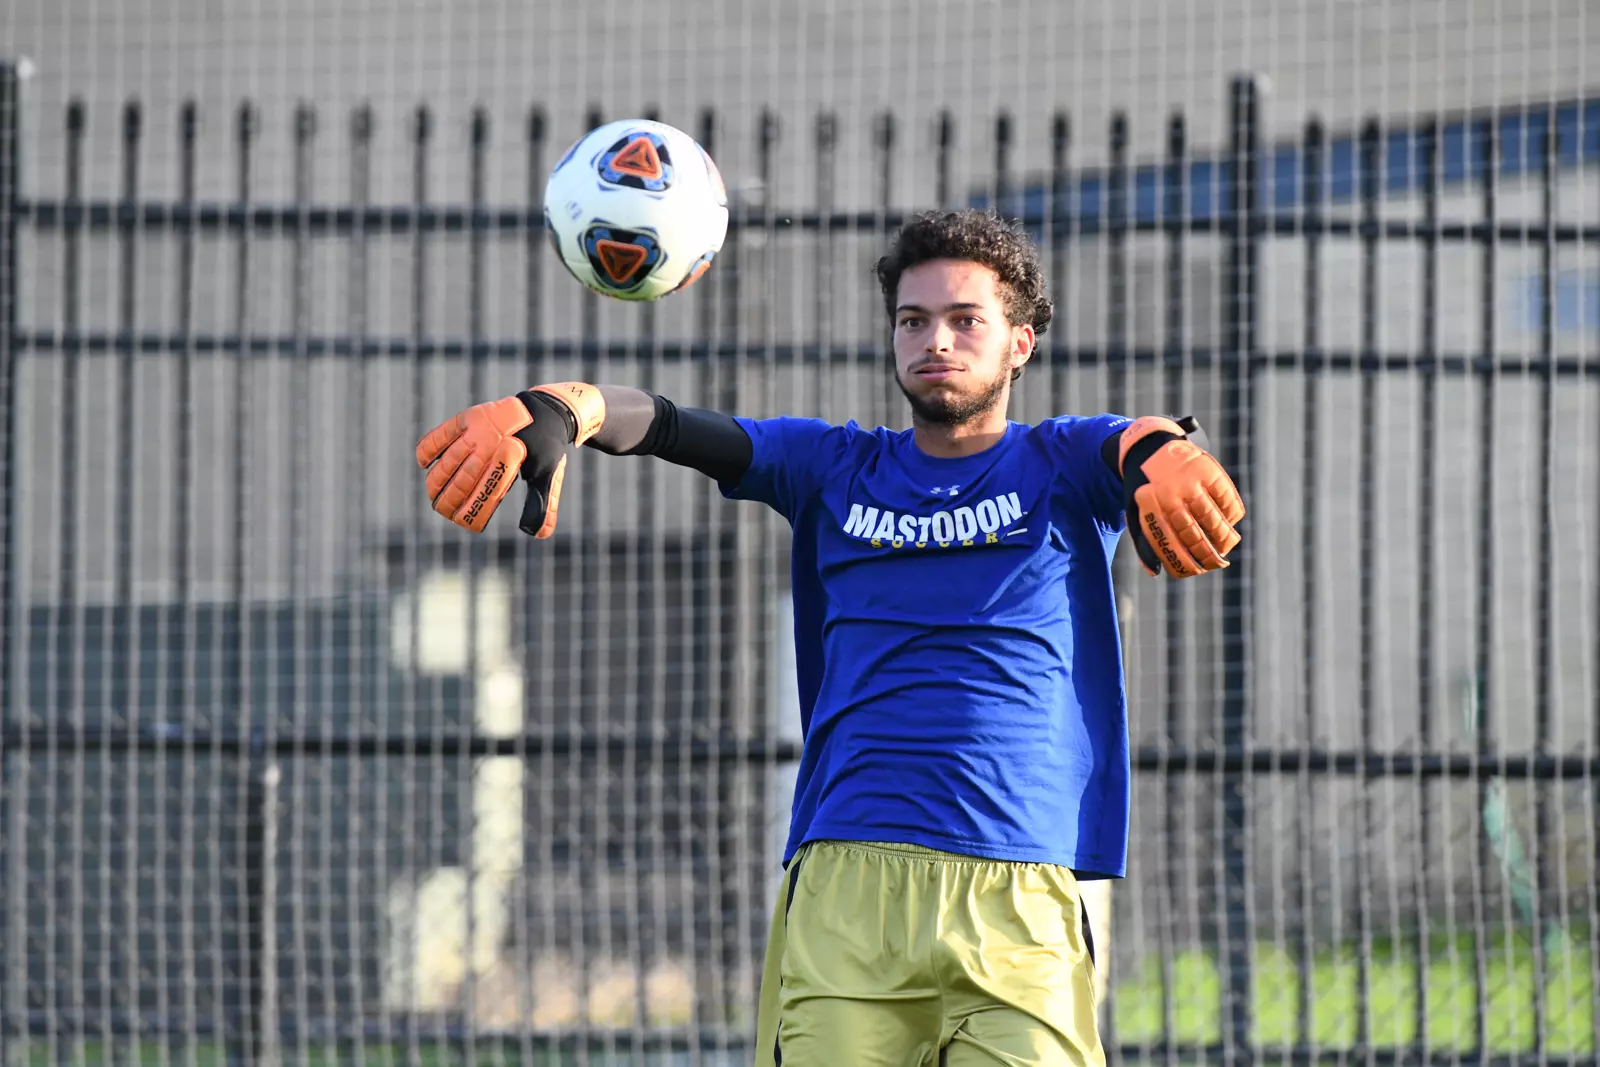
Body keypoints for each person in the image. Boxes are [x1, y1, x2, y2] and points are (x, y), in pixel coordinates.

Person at [415, 209, 1245, 1066]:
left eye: (967, 320)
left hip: (1018, 894)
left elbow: (1136, 441)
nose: (937, 340)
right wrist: (570, 405)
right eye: (913, 320)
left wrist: (1168, 450)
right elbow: (669, 425)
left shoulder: (1062, 463)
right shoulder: (833, 466)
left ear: (1021, 343)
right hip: (847, 887)